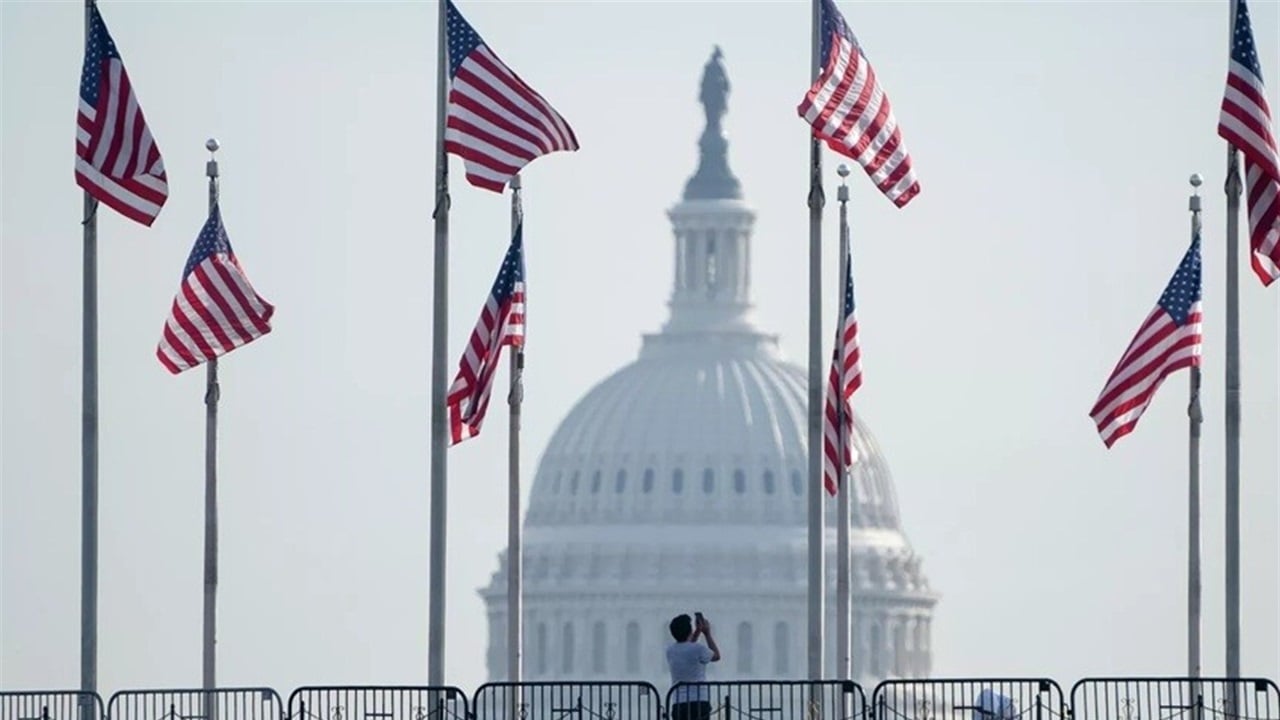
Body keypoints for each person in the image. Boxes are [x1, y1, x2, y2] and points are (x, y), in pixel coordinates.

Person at [666, 612, 721, 720]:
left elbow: (686, 646)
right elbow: (716, 656)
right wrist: (707, 633)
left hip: (679, 702)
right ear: (689, 631)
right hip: (699, 701)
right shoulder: (698, 649)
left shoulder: (670, 650)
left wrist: (697, 631)